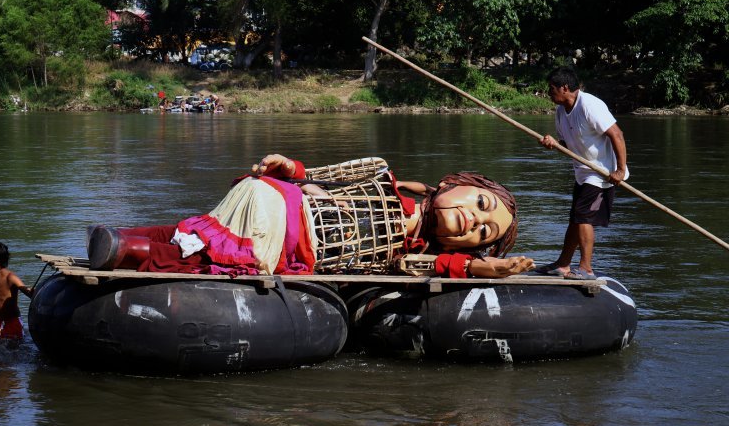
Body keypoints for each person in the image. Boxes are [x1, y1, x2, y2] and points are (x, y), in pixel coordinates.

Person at [87, 155, 534, 279]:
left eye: (482, 233)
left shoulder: (410, 251)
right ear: (455, 184)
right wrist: (294, 171)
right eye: (480, 205)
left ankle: (124, 237)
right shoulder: (384, 180)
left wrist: (483, 267)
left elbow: (430, 265)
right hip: (286, 223)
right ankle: (131, 249)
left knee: (203, 229)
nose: (473, 222)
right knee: (224, 257)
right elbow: (329, 175)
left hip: (268, 200)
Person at [538, 67, 628, 279]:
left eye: (552, 89)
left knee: (582, 218)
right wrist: (554, 144)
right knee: (575, 219)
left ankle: (586, 269)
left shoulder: (589, 105)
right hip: (582, 172)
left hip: (601, 173)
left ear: (565, 88)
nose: (549, 93)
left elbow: (617, 134)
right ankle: (563, 265)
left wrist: (620, 170)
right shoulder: (561, 111)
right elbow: (566, 143)